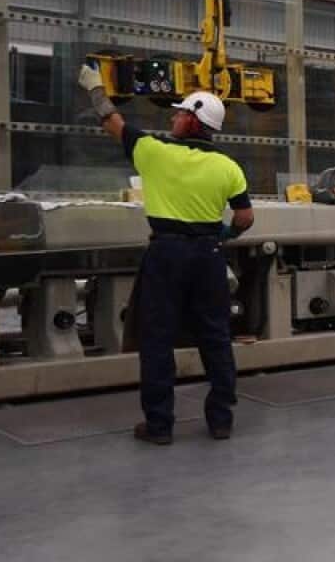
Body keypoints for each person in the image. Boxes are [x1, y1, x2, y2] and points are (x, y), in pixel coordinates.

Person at [78, 65, 254, 445]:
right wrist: (223, 234)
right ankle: (220, 420)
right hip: (209, 257)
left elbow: (111, 120)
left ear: (192, 120)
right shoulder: (229, 166)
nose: (173, 117)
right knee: (216, 337)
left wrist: (95, 88)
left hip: (167, 254)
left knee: (157, 339)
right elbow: (245, 217)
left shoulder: (153, 151)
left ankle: (159, 425)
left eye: (179, 112)